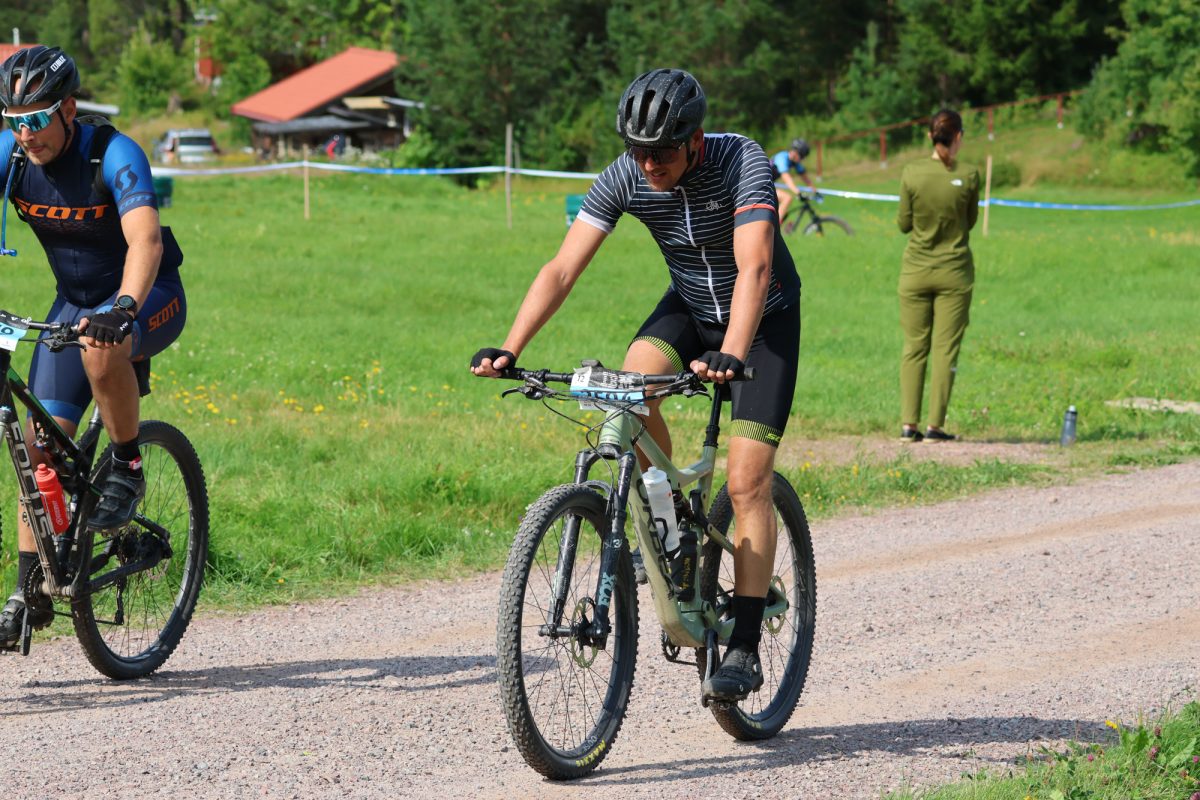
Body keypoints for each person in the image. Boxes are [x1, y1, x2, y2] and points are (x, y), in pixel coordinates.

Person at [471, 68, 801, 703]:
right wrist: (512, 346)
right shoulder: (627, 175)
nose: (650, 164)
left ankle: (744, 645)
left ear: (695, 140)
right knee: (630, 383)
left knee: (746, 482)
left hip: (763, 323)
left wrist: (732, 354)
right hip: (690, 306)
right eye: (638, 150)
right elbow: (563, 267)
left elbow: (756, 266)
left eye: (664, 151)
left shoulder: (742, 161)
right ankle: (672, 521)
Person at [0, 46, 187, 643]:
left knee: (100, 349)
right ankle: (28, 590)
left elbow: (146, 242)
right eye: (13, 121)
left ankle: (128, 464)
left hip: (146, 295)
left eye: (36, 118)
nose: (26, 134)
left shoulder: (113, 153)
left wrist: (123, 309)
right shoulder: (11, 157)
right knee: (36, 448)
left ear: (69, 109)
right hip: (73, 303)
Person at [896, 109, 979, 442]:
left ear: (930, 136)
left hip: (915, 272)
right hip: (955, 273)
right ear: (958, 137)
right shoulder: (969, 174)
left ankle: (908, 425)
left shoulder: (911, 172)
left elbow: (904, 224)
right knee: (945, 350)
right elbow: (970, 221)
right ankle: (935, 426)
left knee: (914, 347)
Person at [770, 138, 818, 223]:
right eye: (802, 156)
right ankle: (775, 225)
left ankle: (775, 223)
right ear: (795, 153)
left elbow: (805, 178)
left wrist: (815, 190)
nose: (803, 159)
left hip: (768, 184)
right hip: (760, 183)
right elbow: (786, 177)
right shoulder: (782, 157)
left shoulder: (794, 162)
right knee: (787, 198)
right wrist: (798, 193)